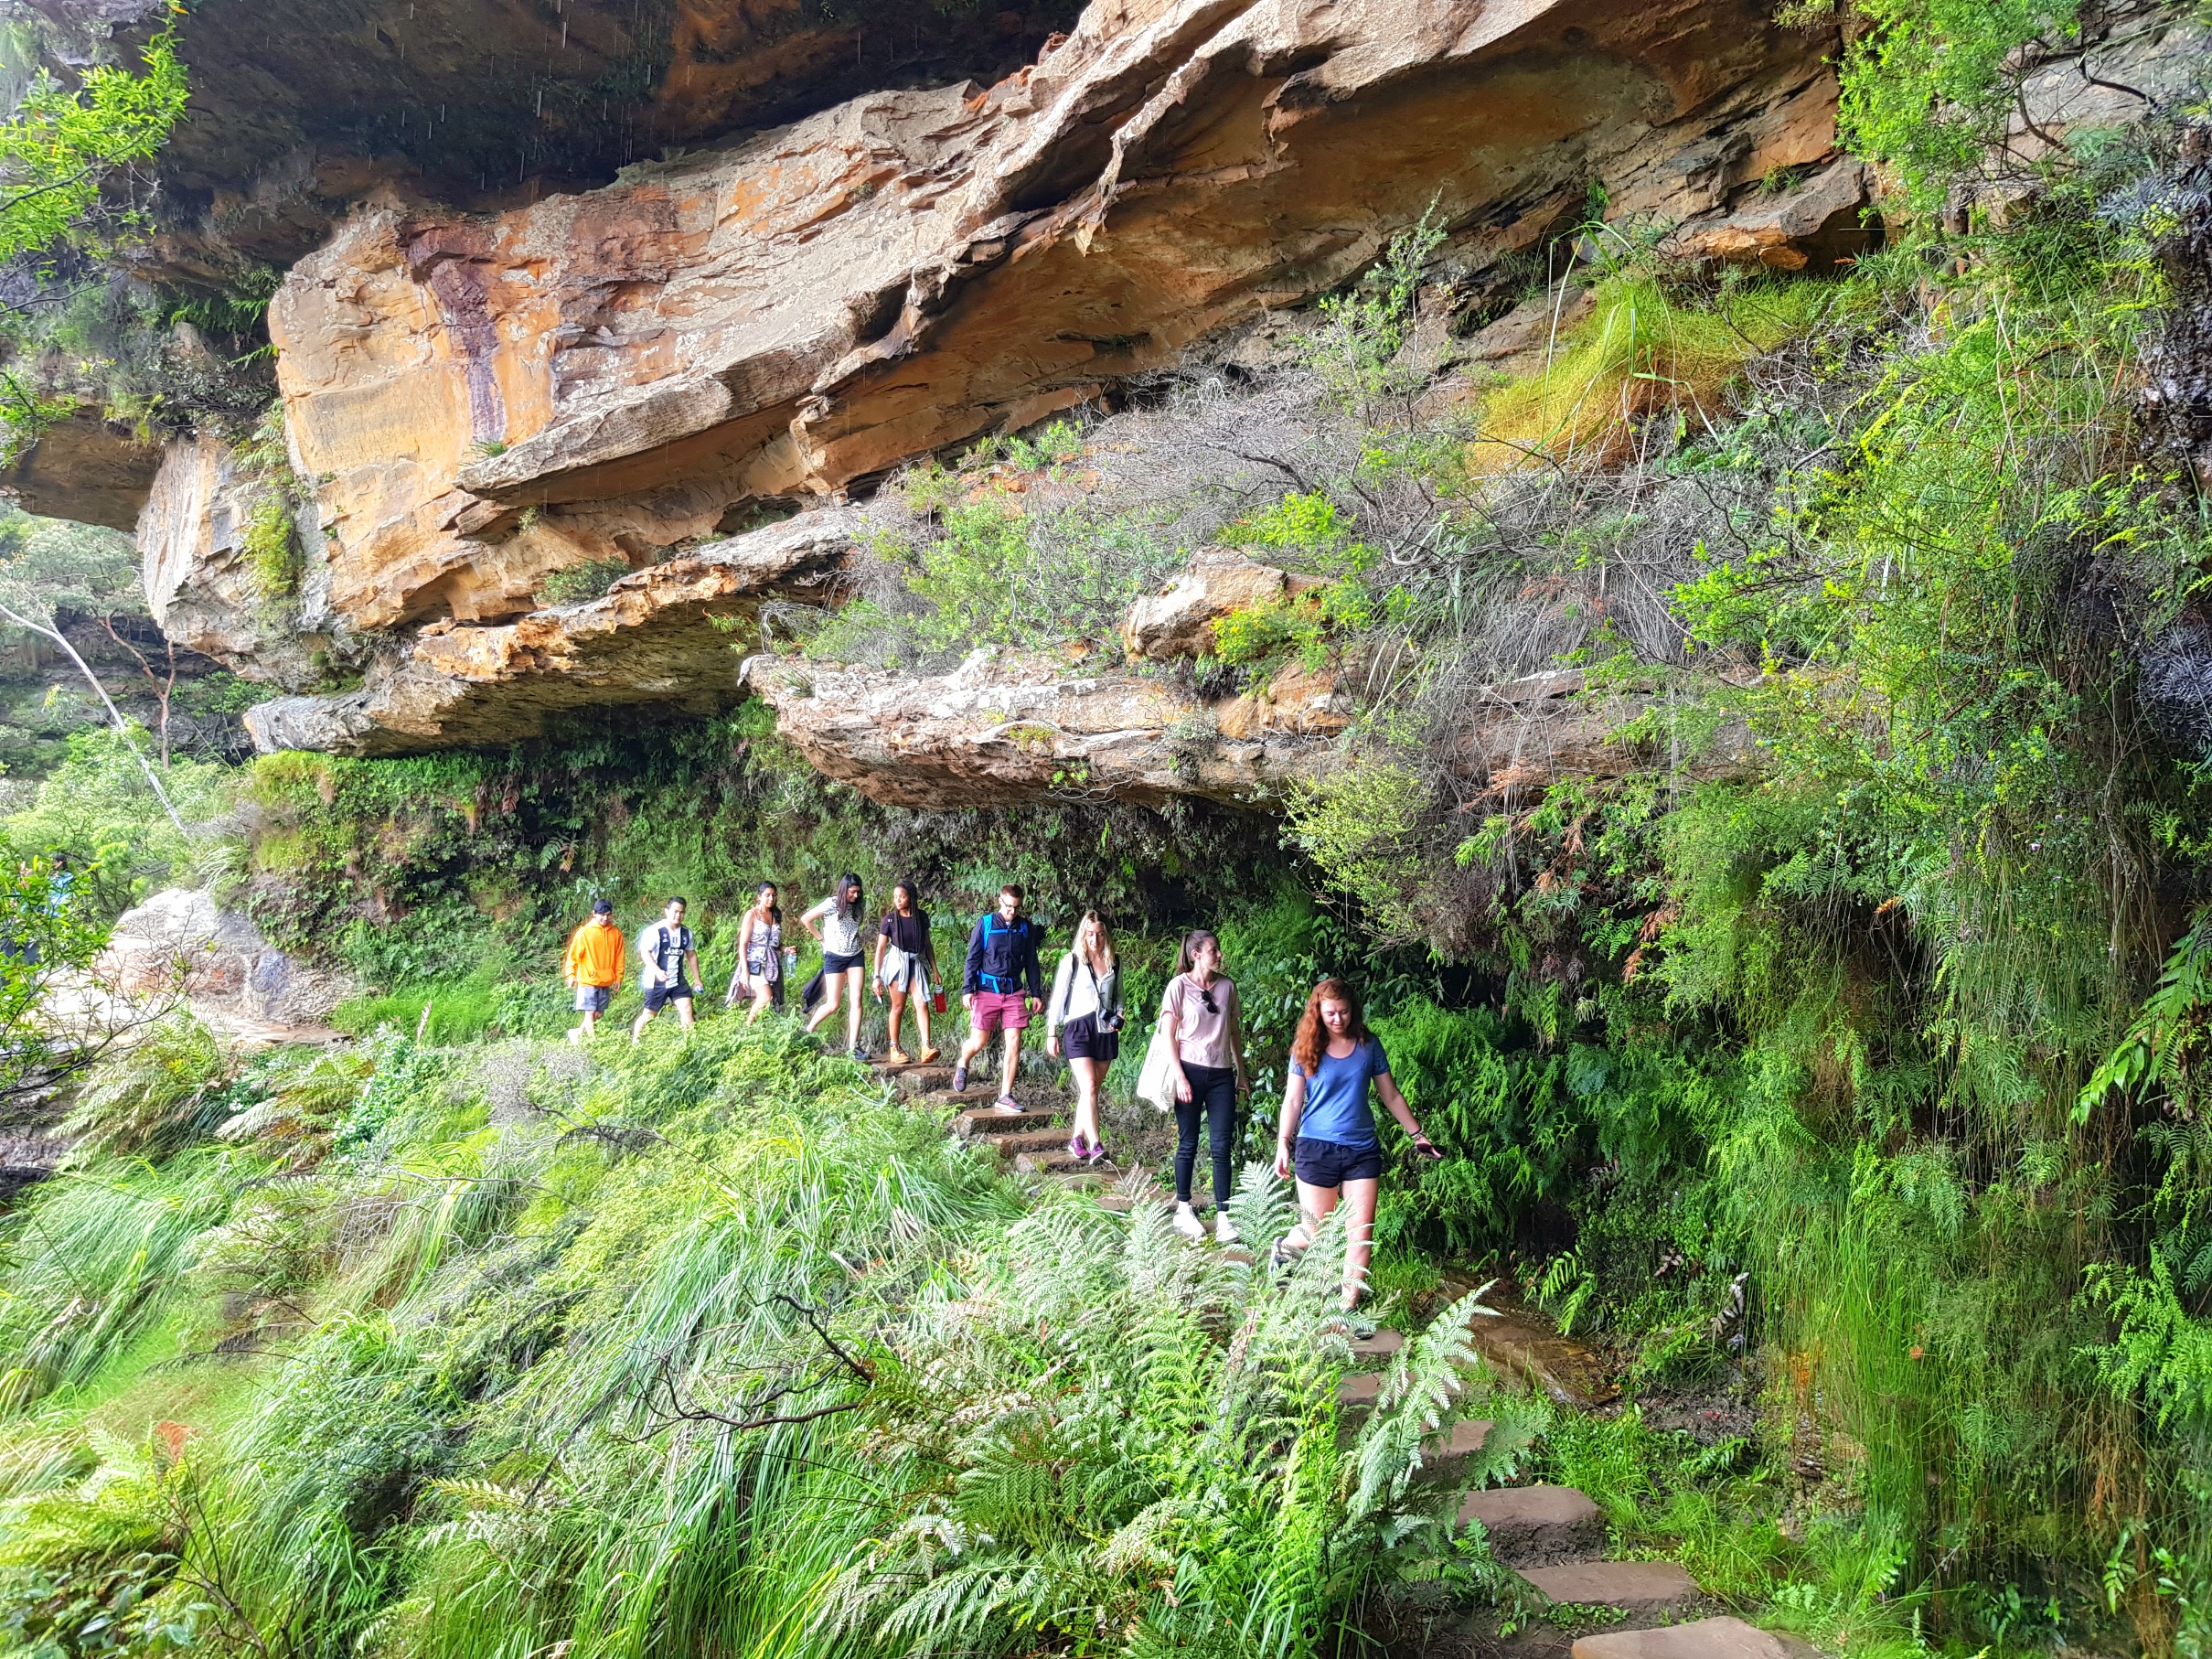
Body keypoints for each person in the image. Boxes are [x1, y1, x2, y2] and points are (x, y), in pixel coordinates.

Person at [1272, 978, 1442, 1311]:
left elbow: (1390, 1094)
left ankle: (1348, 1310)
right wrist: (1283, 1143)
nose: (1338, 1019)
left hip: (1361, 1149)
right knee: (1316, 1232)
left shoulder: (1369, 1045)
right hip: (1315, 1148)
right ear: (1318, 1012)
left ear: (1354, 1010)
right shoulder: (1305, 1047)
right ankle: (1285, 1247)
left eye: (1344, 1012)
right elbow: (1293, 1100)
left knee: (1360, 1232)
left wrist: (1418, 1136)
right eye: (1331, 1013)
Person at [1159, 929, 1249, 1244]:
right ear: (1196, 954)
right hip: (1190, 1072)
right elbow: (1167, 1035)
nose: (1219, 954)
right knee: (1189, 1142)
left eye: (1219, 949)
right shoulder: (1178, 987)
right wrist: (1180, 1076)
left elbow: (1234, 1032)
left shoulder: (1227, 987)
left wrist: (1241, 1072)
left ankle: (1224, 1216)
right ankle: (1184, 1208)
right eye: (1214, 950)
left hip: (1222, 1074)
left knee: (1222, 1146)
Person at [953, 883, 1045, 1113]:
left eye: (1016, 907)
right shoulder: (985, 924)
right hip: (986, 991)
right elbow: (972, 959)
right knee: (978, 1042)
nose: (1012, 912)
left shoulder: (1024, 927)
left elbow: (1031, 962)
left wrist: (1036, 993)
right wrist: (968, 989)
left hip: (1014, 992)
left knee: (1014, 1043)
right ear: (999, 901)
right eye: (1008, 906)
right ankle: (963, 1063)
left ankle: (1005, 1095)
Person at [1046, 909, 1122, 1163]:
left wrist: (1119, 1015)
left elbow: (1119, 997)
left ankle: (1076, 1139)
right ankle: (1096, 1144)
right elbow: (1057, 997)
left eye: (1100, 934)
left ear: (1106, 934)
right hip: (1077, 1027)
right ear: (1083, 934)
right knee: (1089, 1085)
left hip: (1105, 1030)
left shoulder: (1114, 961)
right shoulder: (1072, 960)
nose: (1095, 939)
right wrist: (1051, 1033)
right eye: (1090, 934)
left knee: (1091, 1089)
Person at [872, 878, 940, 1065]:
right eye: (895, 897)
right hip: (897, 963)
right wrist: (876, 976)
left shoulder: (922, 917)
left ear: (911, 897)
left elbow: (927, 944)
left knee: (922, 1003)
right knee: (898, 1007)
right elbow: (880, 948)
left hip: (917, 962)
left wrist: (934, 969)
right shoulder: (890, 920)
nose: (898, 900)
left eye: (901, 896)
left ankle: (926, 1046)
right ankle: (894, 1047)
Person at [803, 873, 871, 1059]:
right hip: (834, 956)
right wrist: (821, 939)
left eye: (858, 892)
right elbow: (806, 919)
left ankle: (852, 1047)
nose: (856, 896)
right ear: (844, 889)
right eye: (852, 892)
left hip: (855, 954)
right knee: (833, 1003)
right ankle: (808, 1030)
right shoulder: (831, 904)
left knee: (856, 999)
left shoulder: (859, 905)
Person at [631, 896, 700, 1041]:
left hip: (677, 980)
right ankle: (635, 1041)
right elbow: (645, 953)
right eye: (675, 911)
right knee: (649, 1014)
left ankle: (690, 1043)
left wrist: (697, 979)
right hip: (656, 981)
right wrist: (657, 971)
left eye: (681, 912)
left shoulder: (687, 934)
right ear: (666, 911)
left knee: (687, 1008)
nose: (678, 915)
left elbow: (691, 955)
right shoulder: (654, 931)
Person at [727, 883, 793, 1024]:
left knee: (767, 998)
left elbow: (774, 943)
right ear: (759, 896)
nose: (771, 899)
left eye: (774, 895)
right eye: (767, 895)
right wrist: (745, 970)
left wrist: (785, 949)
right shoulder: (752, 915)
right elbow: (743, 944)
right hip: (754, 962)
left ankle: (757, 1027)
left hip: (771, 963)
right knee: (765, 997)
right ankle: (747, 1026)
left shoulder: (775, 915)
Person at [563, 898, 626, 1042]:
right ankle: (593, 1042)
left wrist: (618, 977)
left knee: (598, 1014)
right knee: (590, 1013)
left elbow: (619, 957)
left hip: (605, 980)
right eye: (601, 915)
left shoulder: (616, 933)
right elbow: (573, 955)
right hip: (588, 979)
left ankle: (577, 1034)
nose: (605, 918)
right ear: (594, 914)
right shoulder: (584, 933)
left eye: (608, 915)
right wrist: (571, 974)